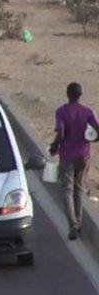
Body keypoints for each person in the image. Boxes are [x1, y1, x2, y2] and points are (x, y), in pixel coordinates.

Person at [49, 82, 99, 240]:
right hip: (83, 155)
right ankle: (79, 222)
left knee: (67, 190)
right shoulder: (88, 111)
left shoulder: (61, 112)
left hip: (67, 156)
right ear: (80, 94)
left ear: (67, 94)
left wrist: (54, 146)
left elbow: (61, 133)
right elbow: (97, 130)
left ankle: (73, 224)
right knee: (79, 189)